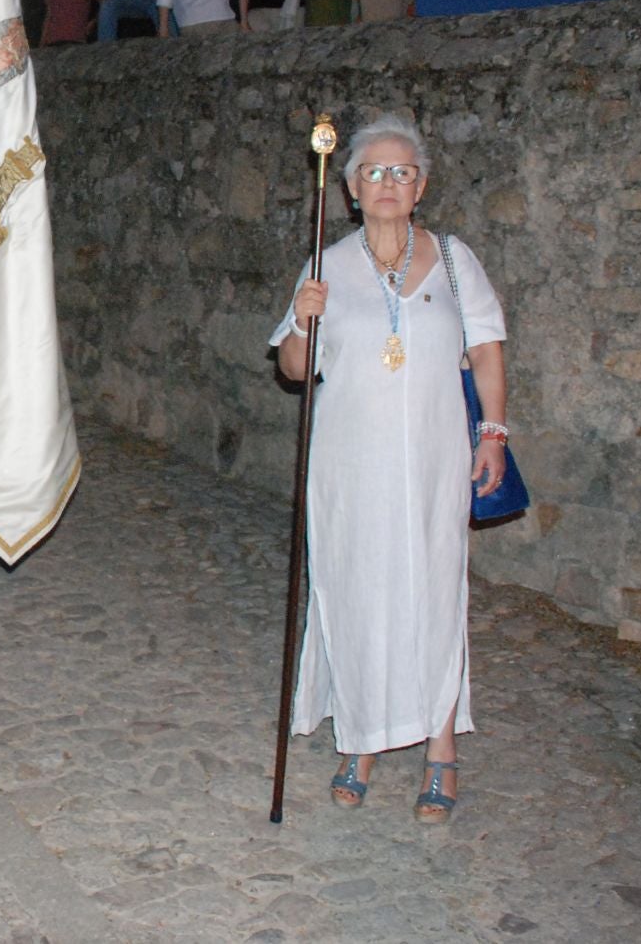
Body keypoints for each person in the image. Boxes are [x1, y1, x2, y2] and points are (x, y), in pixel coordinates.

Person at [268, 114, 508, 824]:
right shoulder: (326, 265)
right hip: (351, 463)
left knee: (435, 590)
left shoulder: (457, 260)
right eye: (374, 171)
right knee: (358, 589)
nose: (388, 183)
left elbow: (488, 347)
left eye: (403, 172)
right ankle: (364, 741)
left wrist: (492, 432)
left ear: (421, 184)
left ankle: (440, 748)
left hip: (437, 457)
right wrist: (304, 323)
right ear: (349, 189)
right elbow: (292, 367)